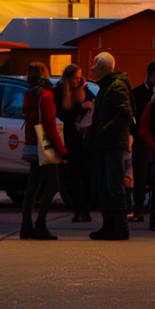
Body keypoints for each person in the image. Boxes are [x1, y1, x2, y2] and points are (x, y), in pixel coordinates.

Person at [88, 51, 134, 240]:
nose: (92, 67)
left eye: (95, 64)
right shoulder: (111, 86)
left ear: (103, 67)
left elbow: (124, 114)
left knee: (112, 186)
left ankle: (118, 227)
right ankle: (111, 225)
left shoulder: (115, 87)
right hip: (108, 143)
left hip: (113, 143)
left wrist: (103, 129)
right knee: (107, 186)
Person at [21, 63, 64, 240]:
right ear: (45, 74)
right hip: (43, 146)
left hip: (31, 143)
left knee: (32, 187)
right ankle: (40, 224)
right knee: (53, 185)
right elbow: (49, 127)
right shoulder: (45, 96)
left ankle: (26, 226)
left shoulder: (29, 94)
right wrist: (62, 150)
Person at [54, 63, 94, 223]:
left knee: (88, 175)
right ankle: (77, 209)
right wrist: (81, 107)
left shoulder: (85, 89)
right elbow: (64, 114)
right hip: (72, 137)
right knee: (74, 175)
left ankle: (86, 209)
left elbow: (94, 103)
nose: (78, 81)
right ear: (68, 79)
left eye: (79, 77)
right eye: (75, 78)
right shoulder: (61, 92)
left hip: (86, 137)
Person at [129, 61, 155, 219]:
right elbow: (130, 115)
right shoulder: (137, 93)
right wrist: (135, 130)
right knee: (141, 173)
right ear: (149, 75)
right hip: (141, 138)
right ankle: (139, 205)